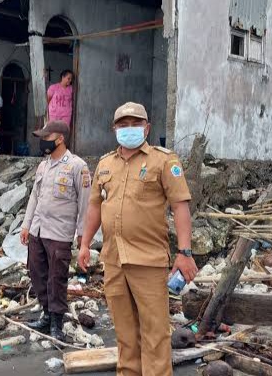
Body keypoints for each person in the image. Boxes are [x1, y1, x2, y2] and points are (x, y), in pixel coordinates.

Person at [77, 102, 198, 376]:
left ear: (147, 128)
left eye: (135, 124)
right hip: (114, 260)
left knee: (155, 335)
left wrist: (185, 252)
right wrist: (85, 244)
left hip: (148, 261)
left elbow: (180, 206)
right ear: (114, 129)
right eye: (123, 125)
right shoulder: (106, 164)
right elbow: (95, 207)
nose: (128, 129)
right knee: (125, 335)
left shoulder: (164, 161)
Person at [19, 120, 91, 340]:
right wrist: (26, 224)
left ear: (60, 138)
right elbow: (34, 196)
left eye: (46, 137)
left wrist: (83, 237)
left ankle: (57, 323)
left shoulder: (78, 166)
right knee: (36, 273)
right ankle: (47, 314)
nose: (43, 142)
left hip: (59, 233)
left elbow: (85, 204)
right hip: (38, 231)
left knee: (56, 278)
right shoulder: (43, 165)